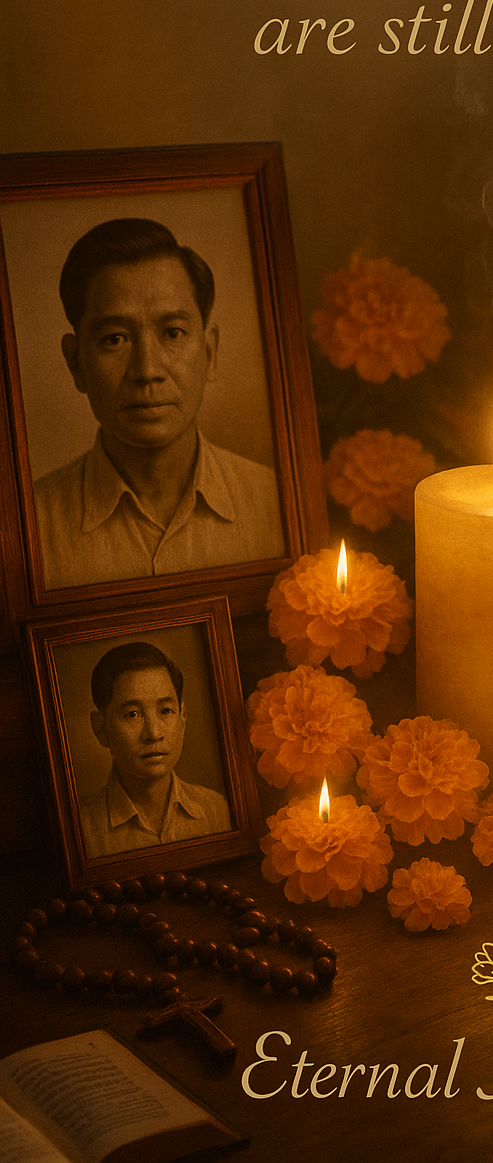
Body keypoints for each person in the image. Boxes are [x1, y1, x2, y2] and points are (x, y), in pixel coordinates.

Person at [34, 217, 284, 588]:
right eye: (115, 339)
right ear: (76, 363)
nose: (147, 370)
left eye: (173, 333)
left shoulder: (276, 503)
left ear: (209, 353)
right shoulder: (27, 527)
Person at [80, 641, 231, 859]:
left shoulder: (218, 811)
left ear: (183, 718)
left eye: (166, 711)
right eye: (132, 714)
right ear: (101, 729)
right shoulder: (81, 831)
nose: (153, 733)